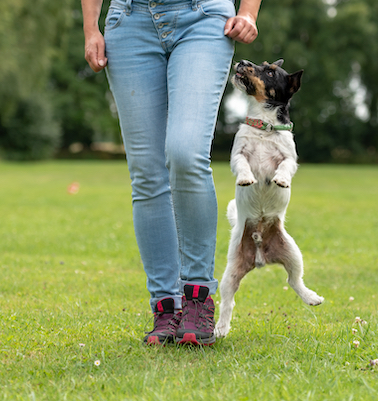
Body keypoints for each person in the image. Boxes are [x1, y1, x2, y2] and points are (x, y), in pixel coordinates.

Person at [81, 0, 261, 345]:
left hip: (203, 17)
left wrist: (249, 11)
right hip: (129, 21)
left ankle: (197, 297)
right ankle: (165, 306)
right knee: (147, 174)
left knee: (185, 152)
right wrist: (91, 28)